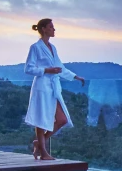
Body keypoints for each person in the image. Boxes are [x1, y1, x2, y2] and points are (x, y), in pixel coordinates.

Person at [24, 18, 85, 160]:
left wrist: (75, 76)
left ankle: (39, 143)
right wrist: (47, 70)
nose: (54, 29)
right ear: (44, 29)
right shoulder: (35, 47)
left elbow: (60, 68)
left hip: (53, 88)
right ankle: (44, 153)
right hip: (41, 87)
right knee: (41, 118)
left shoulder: (53, 48)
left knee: (62, 120)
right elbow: (28, 68)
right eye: (51, 27)